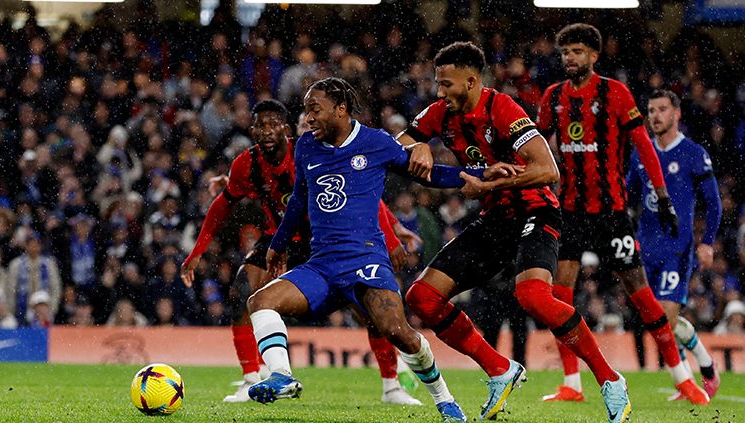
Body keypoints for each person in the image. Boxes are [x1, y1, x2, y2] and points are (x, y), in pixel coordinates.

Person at [398, 41, 630, 423]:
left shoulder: (502, 108)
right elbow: (401, 143)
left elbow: (548, 170)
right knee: (422, 298)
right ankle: (499, 369)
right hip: (495, 220)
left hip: (535, 212)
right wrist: (417, 145)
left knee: (533, 296)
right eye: (437, 84)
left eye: (446, 84)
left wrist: (487, 185)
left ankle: (610, 380)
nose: (438, 92)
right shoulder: (440, 112)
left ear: (471, 81)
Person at [247, 77, 472, 422]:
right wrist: (277, 245)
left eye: (314, 110)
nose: (307, 118)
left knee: (397, 331)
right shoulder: (306, 146)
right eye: (306, 110)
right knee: (260, 301)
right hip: (321, 264)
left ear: (341, 109)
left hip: (365, 260)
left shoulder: (375, 143)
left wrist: (476, 175)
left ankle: (445, 400)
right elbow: (300, 199)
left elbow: (427, 174)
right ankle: (281, 376)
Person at [181, 99, 421, 405]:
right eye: (260, 125)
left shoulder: (309, 153)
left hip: (322, 239)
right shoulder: (246, 163)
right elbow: (222, 204)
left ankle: (392, 386)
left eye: (273, 124)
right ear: (252, 128)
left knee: (369, 310)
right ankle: (251, 379)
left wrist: (393, 229)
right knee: (243, 290)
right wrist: (197, 251)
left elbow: (360, 192)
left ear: (284, 129)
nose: (266, 131)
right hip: (278, 239)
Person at [536, 23, 709, 405]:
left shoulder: (615, 93)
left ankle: (682, 378)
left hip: (612, 213)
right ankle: (572, 384)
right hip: (571, 213)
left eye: (578, 51)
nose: (570, 58)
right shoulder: (553, 97)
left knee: (642, 297)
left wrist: (662, 195)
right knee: (560, 296)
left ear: (594, 56)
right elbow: (534, 142)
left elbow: (643, 146)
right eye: (566, 52)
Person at [627, 89, 722, 399]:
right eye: (651, 110)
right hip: (645, 249)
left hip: (676, 249)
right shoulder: (640, 152)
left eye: (662, 110)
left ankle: (689, 380)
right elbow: (628, 197)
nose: (655, 116)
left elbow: (714, 202)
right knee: (657, 322)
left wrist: (706, 242)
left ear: (676, 114)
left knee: (663, 317)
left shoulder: (693, 153)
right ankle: (704, 364)